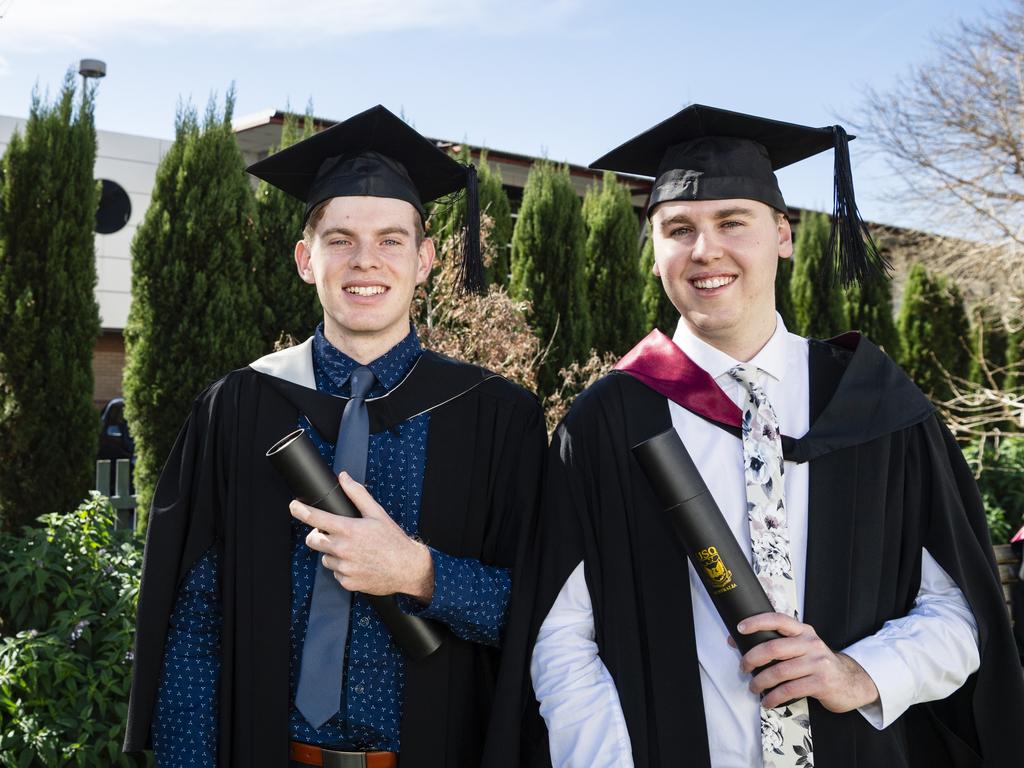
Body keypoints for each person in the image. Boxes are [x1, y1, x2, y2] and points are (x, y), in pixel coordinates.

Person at [490, 104, 1024, 768]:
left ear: (783, 234)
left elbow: (956, 613)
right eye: (678, 228)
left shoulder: (877, 408)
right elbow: (561, 637)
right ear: (654, 252)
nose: (705, 250)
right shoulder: (607, 422)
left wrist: (860, 674)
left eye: (732, 222)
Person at [123, 104, 546, 768]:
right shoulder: (239, 408)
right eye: (340, 238)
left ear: (426, 259)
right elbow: (195, 623)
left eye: (390, 240)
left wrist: (420, 572)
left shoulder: (498, 420)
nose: (364, 260)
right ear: (304, 259)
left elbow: (543, 616)